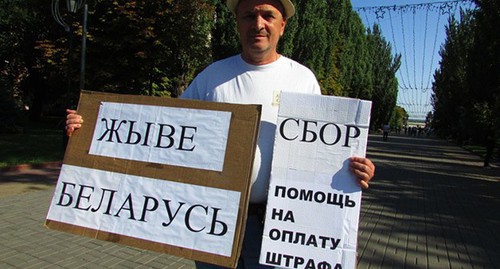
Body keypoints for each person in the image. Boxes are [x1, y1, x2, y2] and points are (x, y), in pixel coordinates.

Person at [66, 0, 375, 268]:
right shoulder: (212, 77)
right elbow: (158, 132)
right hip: (210, 221)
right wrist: (90, 127)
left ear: (282, 24)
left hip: (277, 228)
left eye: (267, 15)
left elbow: (322, 151)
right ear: (237, 22)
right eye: (248, 16)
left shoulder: (303, 80)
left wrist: (353, 170)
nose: (258, 24)